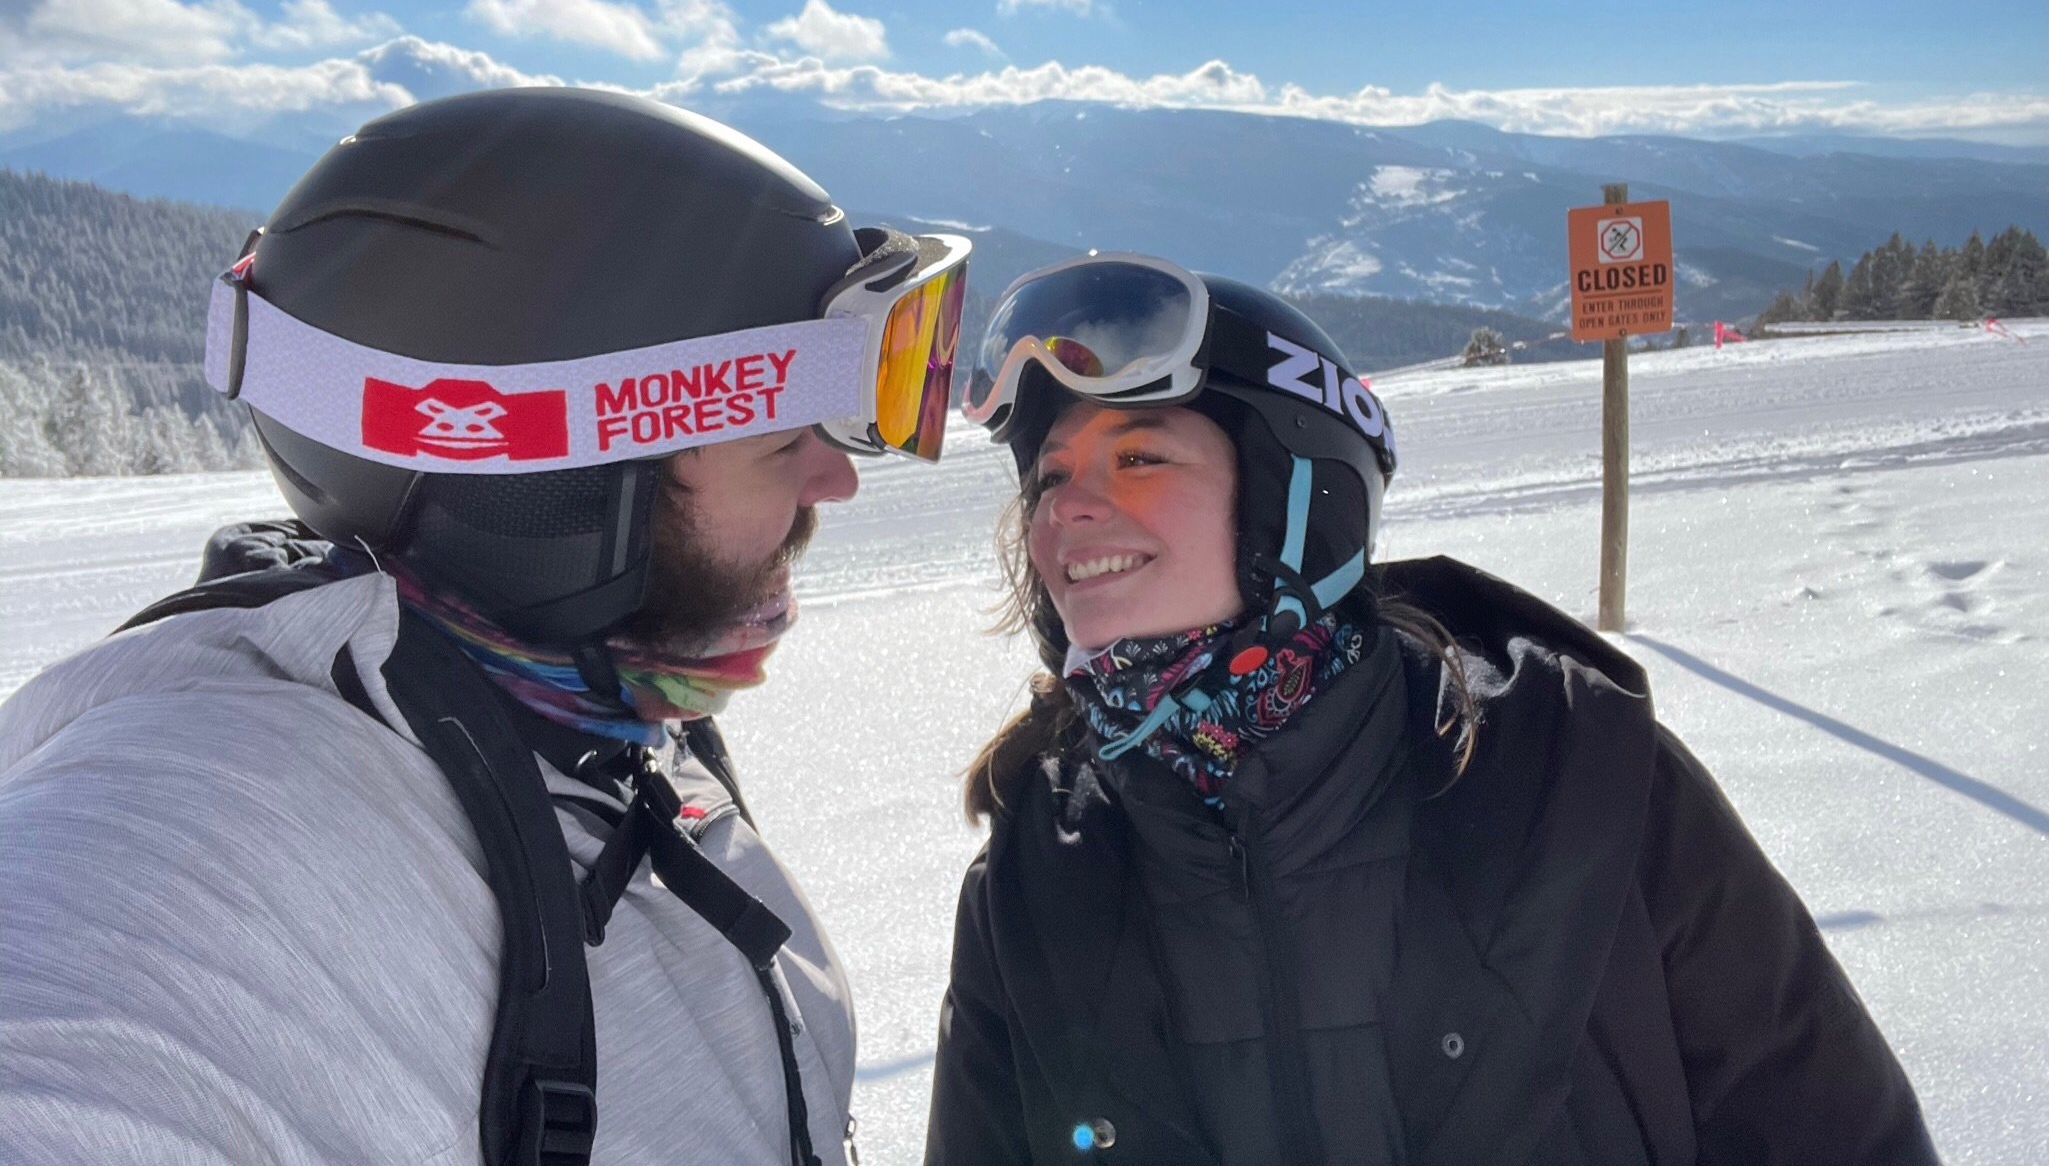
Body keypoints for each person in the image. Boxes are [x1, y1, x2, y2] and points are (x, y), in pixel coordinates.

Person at [0, 88, 969, 1166]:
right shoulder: (196, 821)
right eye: (783, 441)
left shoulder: (611, 716)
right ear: (566, 493)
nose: (837, 481)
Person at [923, 252, 1935, 1165]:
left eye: (1139, 457)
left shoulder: (1575, 782)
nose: (1065, 508)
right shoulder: (1036, 879)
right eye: (1049, 475)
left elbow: (1837, 1132)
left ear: (1299, 502)